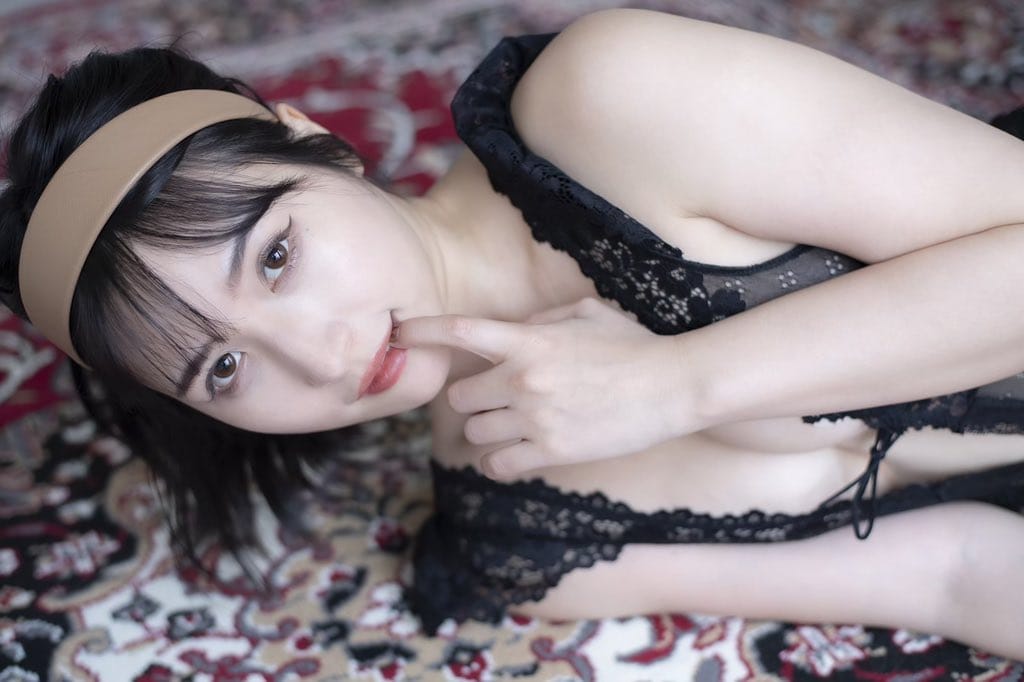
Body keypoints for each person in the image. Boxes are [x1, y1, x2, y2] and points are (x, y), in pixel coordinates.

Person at [3, 7, 1024, 660]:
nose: (319, 357)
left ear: (312, 139)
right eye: (223, 367)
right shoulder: (519, 528)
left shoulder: (613, 102)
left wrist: (680, 383)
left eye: (275, 255)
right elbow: (952, 573)